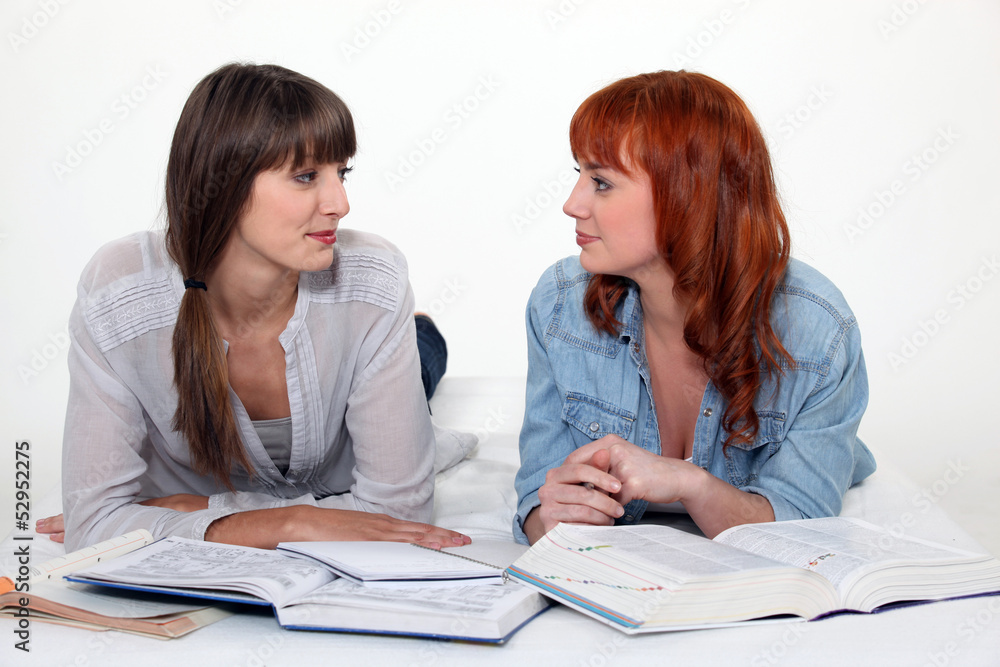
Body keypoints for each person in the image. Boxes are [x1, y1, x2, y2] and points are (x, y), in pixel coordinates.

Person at [37, 63, 471, 551]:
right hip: (355, 343)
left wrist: (197, 510)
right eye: (306, 176)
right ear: (224, 184)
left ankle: (419, 333)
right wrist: (292, 523)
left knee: (418, 359)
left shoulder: (371, 281)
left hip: (373, 336)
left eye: (341, 172)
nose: (341, 203)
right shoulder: (120, 293)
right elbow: (92, 524)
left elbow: (397, 515)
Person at [514, 71, 876, 545]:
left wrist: (689, 483)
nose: (571, 203)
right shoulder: (560, 302)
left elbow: (803, 524)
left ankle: (846, 450)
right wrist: (548, 518)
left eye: (601, 181)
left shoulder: (818, 329)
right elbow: (537, 497)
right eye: (578, 174)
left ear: (685, 195)